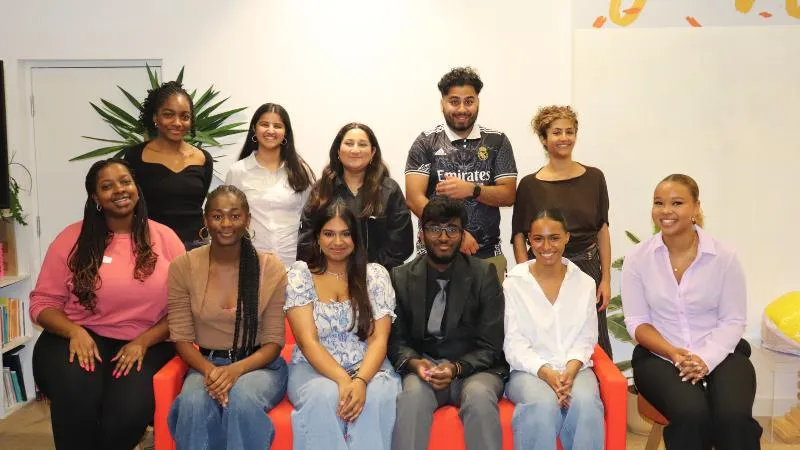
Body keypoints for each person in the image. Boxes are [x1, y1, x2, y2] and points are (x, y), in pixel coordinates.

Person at [29, 159, 184, 450]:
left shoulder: (165, 239)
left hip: (148, 341)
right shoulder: (70, 239)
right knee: (77, 396)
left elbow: (183, 309)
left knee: (125, 413)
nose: (119, 190)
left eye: (125, 181)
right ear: (95, 197)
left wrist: (144, 341)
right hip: (79, 335)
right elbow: (43, 302)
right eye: (106, 186)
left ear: (136, 187)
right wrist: (73, 331)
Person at [622, 174, 762, 450]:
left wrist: (705, 359)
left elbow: (733, 320)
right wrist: (675, 353)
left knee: (733, 418)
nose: (666, 211)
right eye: (658, 203)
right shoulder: (638, 258)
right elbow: (637, 322)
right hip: (660, 357)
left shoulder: (724, 256)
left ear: (696, 208)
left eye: (677, 203)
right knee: (691, 415)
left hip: (722, 352)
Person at [166, 185, 288, 450]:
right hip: (205, 364)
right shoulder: (182, 267)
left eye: (235, 215)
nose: (226, 224)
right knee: (192, 403)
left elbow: (274, 342)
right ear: (205, 220)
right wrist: (213, 371)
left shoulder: (270, 267)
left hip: (259, 366)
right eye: (217, 216)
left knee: (242, 399)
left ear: (247, 219)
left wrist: (234, 371)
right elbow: (182, 338)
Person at [389, 196, 508, 450]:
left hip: (476, 370)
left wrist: (456, 368)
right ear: (421, 234)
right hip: (425, 369)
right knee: (412, 398)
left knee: (478, 397)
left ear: (462, 234)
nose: (443, 237)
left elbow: (491, 344)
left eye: (452, 229)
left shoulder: (483, 274)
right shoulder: (400, 277)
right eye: (434, 229)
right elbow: (396, 340)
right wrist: (414, 363)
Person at [286, 200, 401, 450]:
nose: (337, 242)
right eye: (329, 233)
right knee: (324, 395)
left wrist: (359, 381)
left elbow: (379, 339)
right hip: (313, 368)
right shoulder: (300, 275)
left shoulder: (375, 276)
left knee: (377, 395)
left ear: (356, 238)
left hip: (369, 366)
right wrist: (342, 380)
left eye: (345, 234)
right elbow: (308, 342)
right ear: (317, 237)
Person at [510, 105, 613, 357]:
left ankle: (599, 395)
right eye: (556, 132)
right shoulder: (529, 185)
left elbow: (602, 230)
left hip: (587, 270)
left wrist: (606, 279)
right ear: (544, 139)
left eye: (570, 131)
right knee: (547, 338)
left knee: (592, 340)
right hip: (544, 270)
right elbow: (519, 236)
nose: (564, 138)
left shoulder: (595, 177)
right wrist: (527, 278)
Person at [503, 209, 604, 450]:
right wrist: (546, 372)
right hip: (527, 372)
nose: (546, 246)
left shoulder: (585, 283)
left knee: (587, 403)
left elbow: (586, 338)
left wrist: (570, 370)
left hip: (575, 369)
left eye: (554, 237)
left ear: (567, 237)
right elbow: (513, 343)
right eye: (538, 238)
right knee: (542, 404)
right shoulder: (513, 283)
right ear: (529, 239)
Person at [404, 67, 517, 281]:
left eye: (469, 101)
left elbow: (509, 195)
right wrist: (457, 234)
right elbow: (413, 198)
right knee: (433, 315)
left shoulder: (497, 141)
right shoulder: (425, 142)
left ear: (478, 102)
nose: (462, 109)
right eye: (454, 101)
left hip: (486, 256)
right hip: (434, 256)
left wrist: (472, 190)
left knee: (489, 315)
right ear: (443, 103)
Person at [297, 122, 412, 270]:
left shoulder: (390, 190)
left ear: (373, 152)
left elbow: (402, 244)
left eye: (362, 144)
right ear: (338, 151)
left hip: (378, 278)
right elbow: (307, 240)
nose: (355, 150)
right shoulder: (322, 190)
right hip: (329, 277)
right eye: (349, 144)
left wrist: (368, 270)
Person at [123, 80, 213, 249]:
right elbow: (131, 205)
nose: (177, 122)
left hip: (195, 246)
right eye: (168, 114)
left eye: (185, 116)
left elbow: (198, 203)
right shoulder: (135, 156)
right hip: (151, 245)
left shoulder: (203, 159)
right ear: (155, 117)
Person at [225, 103, 315, 267]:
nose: (271, 131)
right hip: (250, 262)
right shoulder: (238, 171)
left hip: (293, 262)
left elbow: (311, 217)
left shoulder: (300, 172)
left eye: (277, 126)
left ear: (286, 132)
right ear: (254, 128)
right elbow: (230, 219)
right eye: (264, 124)